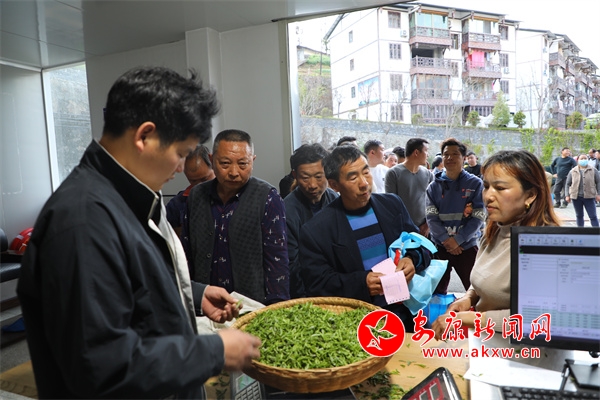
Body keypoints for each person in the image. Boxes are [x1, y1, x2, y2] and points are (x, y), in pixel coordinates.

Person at [16, 67, 261, 399]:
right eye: (180, 153)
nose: (181, 167)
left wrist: (192, 293)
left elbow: (129, 283)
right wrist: (213, 351)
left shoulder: (127, 196)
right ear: (145, 136)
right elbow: (101, 367)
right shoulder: (83, 221)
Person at [299, 145, 432, 332]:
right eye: (353, 177)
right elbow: (317, 284)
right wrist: (362, 283)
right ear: (334, 185)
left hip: (406, 313)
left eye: (366, 172)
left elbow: (422, 245)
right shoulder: (316, 230)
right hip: (357, 321)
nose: (364, 183)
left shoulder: (392, 205)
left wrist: (412, 259)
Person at [432, 150, 560, 339]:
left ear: (530, 195)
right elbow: (484, 279)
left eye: (500, 188)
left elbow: (539, 318)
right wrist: (469, 298)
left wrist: (471, 319)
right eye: (486, 186)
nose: (488, 196)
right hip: (487, 342)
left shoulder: (546, 244)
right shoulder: (495, 229)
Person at [187, 129, 290, 305]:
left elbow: (277, 261)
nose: (234, 172)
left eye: (243, 164)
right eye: (225, 164)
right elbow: (187, 252)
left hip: (251, 305)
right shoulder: (197, 196)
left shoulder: (268, 198)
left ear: (252, 161)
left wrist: (277, 308)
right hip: (204, 303)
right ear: (211, 160)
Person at [426, 138, 485, 294]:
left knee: (476, 290)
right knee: (436, 292)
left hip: (466, 245)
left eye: (455, 154)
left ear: (464, 158)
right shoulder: (433, 186)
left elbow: (479, 216)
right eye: (446, 154)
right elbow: (431, 218)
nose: (449, 158)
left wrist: (458, 240)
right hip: (440, 246)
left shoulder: (475, 184)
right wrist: (446, 240)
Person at [284, 143, 338, 298]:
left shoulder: (335, 200)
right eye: (305, 178)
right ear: (295, 175)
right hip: (306, 291)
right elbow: (292, 265)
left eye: (319, 177)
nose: (313, 185)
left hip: (335, 284)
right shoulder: (287, 211)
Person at [166, 144, 215, 261]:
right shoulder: (177, 205)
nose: (199, 186)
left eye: (205, 179)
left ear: (214, 165)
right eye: (193, 181)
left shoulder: (233, 198)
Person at [385, 138, 434, 237]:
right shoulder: (393, 173)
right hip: (402, 231)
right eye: (426, 151)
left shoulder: (428, 174)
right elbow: (390, 205)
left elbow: (434, 202)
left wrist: (427, 225)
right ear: (416, 152)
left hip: (424, 231)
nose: (428, 155)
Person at [565, 154, 600, 227]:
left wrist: (598, 194)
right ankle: (580, 231)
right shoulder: (572, 171)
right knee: (579, 215)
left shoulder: (593, 170)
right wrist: (567, 195)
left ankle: (596, 231)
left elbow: (598, 182)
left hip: (589, 197)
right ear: (578, 160)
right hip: (576, 197)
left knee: (593, 216)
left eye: (585, 158)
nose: (583, 160)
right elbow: (567, 184)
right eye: (581, 158)